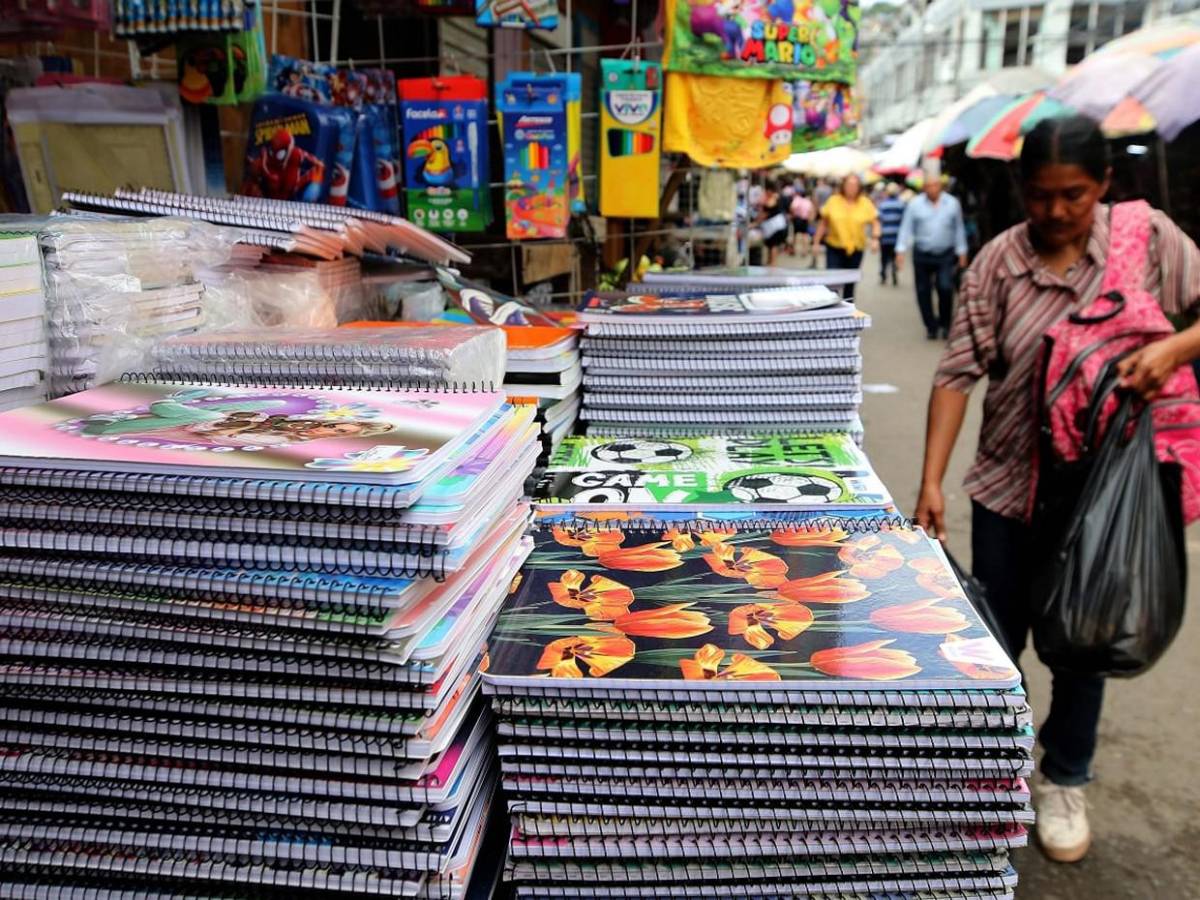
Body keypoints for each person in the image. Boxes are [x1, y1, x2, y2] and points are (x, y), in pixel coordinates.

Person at [914, 116, 1200, 865]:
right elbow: (956, 375)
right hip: (1009, 488)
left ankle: (1065, 779)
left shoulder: (1150, 244)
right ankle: (987, 775)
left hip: (1103, 493)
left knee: (1082, 644)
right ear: (1021, 190)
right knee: (991, 646)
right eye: (1040, 196)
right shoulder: (997, 266)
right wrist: (931, 482)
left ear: (1102, 186)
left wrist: (1174, 345)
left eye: (1073, 195)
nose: (1056, 212)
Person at [895, 174, 968, 339]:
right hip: (922, 253)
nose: (932, 189)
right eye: (929, 186)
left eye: (935, 185)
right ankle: (931, 326)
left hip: (945, 254)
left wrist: (962, 251)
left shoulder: (952, 204)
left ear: (940, 187)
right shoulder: (915, 205)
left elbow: (959, 229)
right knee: (923, 291)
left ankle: (945, 323)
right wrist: (900, 250)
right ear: (924, 188)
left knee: (945, 287)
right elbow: (906, 228)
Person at [813, 173, 879, 301]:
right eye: (849, 184)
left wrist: (875, 239)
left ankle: (847, 314)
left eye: (855, 185)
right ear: (843, 186)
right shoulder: (833, 201)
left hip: (856, 249)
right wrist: (816, 242)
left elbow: (875, 222)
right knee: (832, 283)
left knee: (850, 285)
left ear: (859, 187)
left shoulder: (865, 203)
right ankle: (831, 313)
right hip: (834, 247)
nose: (851, 188)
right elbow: (823, 223)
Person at [876, 182, 906, 286]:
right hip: (896, 236)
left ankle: (884, 274)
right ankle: (894, 272)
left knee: (884, 257)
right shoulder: (901, 204)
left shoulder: (883, 205)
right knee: (894, 257)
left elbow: (879, 219)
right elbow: (904, 220)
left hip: (885, 236)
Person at [756, 179, 790, 266]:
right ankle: (770, 262)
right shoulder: (774, 197)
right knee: (770, 245)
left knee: (773, 245)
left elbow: (768, 208)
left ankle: (773, 263)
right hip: (773, 225)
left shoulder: (774, 198)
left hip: (775, 226)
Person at [790, 188, 815, 258]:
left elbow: (792, 207)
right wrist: (810, 219)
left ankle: (793, 250)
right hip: (805, 220)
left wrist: (794, 214)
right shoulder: (808, 201)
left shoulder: (797, 199)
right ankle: (804, 251)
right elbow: (811, 210)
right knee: (805, 235)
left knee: (795, 235)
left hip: (797, 219)